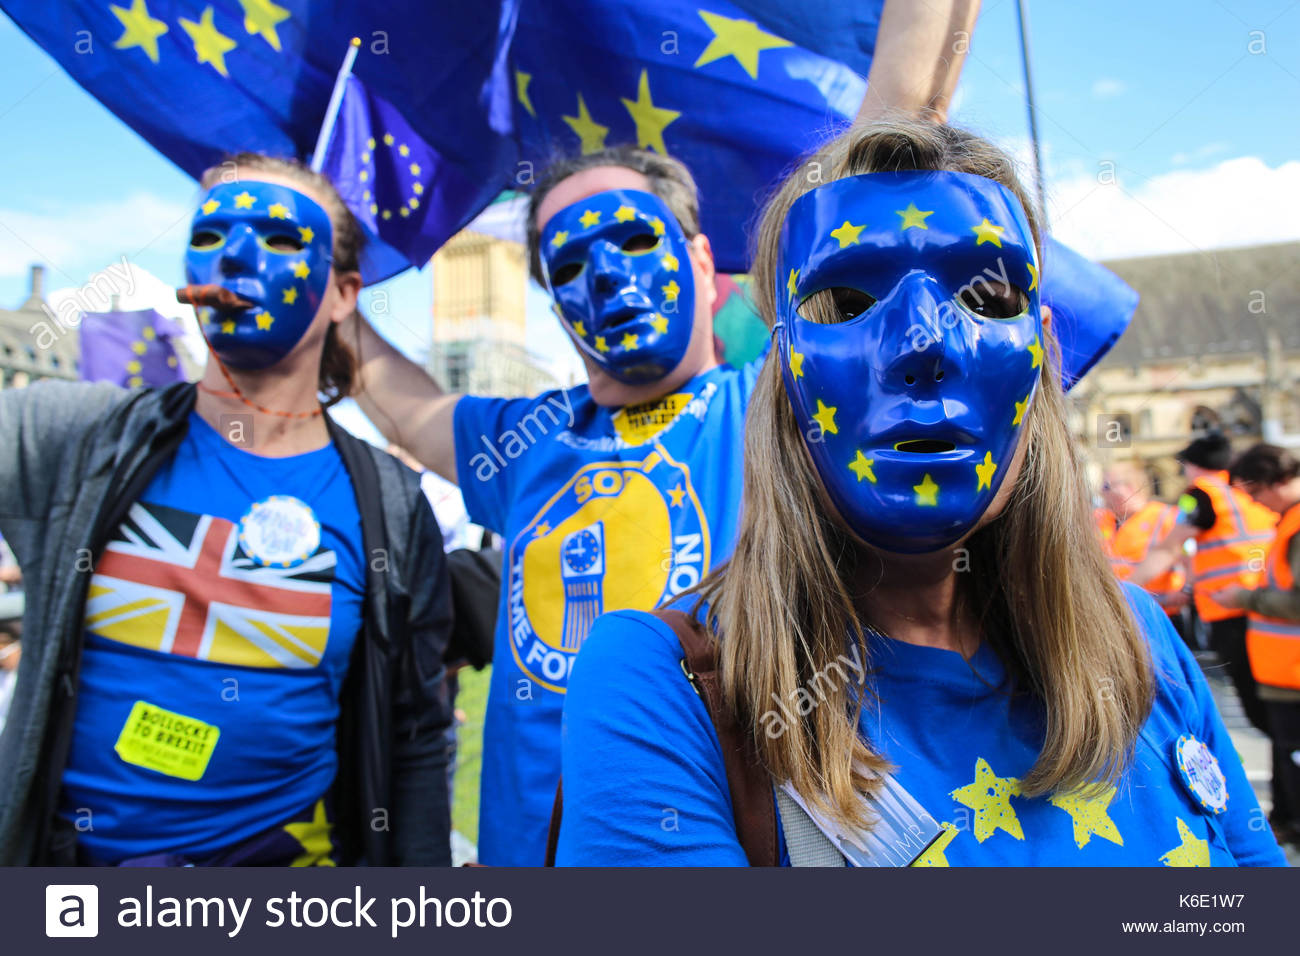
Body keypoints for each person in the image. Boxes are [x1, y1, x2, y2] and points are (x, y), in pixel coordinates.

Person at [344, 0, 981, 868]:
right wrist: (329, 283)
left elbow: (868, 194)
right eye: (568, 263)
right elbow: (397, 400)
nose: (603, 274)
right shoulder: (528, 442)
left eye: (633, 238)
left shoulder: (778, 404)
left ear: (704, 261)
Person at [555, 117, 1285, 866]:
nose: (923, 342)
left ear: (1042, 351)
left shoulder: (1140, 640)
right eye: (847, 298)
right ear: (783, 379)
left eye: (986, 295)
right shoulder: (668, 685)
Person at [0, 154, 452, 866]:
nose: (236, 255)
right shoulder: (75, 436)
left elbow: (417, 737)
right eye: (212, 234)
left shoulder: (388, 507)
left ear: (342, 294)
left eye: (277, 239)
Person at [1131, 433, 1277, 733]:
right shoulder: (1245, 490)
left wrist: (1123, 588)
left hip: (1230, 610)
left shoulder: (1199, 495)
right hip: (1270, 604)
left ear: (1194, 466)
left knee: (1259, 709)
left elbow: (1169, 549)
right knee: (1278, 704)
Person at [1220, 444, 1300, 845]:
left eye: (1255, 492)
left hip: (1293, 671)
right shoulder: (1288, 522)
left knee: (1292, 754)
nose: (1255, 503)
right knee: (1285, 754)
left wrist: (1244, 599)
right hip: (1282, 670)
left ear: (1277, 481)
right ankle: (1286, 818)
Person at [1101, 461, 1189, 634]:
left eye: (1107, 486)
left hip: (1160, 612)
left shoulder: (1165, 516)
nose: (1103, 493)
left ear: (1132, 486)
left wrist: (1186, 588)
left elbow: (1190, 553)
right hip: (1116, 613)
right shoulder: (1099, 519)